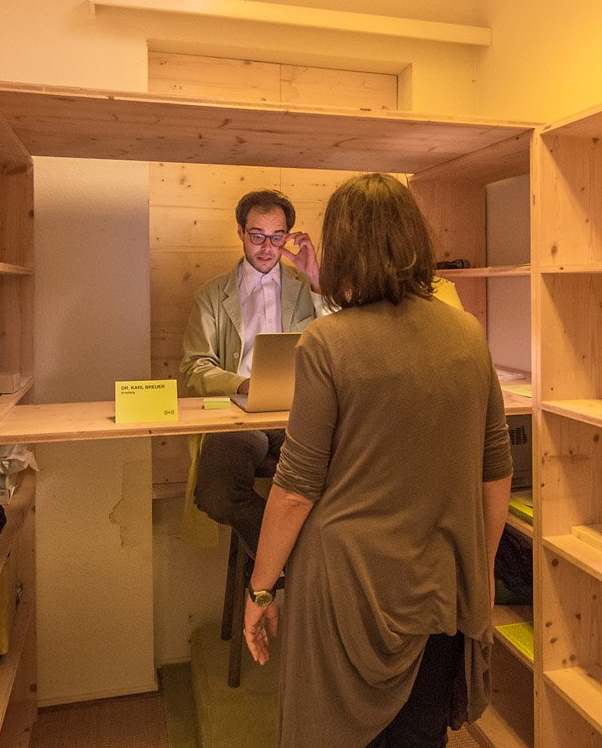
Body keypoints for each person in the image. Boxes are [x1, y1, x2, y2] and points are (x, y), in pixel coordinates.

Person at [243, 173, 512, 748]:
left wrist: (261, 590)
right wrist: (481, 573)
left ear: (341, 249)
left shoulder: (327, 344)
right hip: (442, 583)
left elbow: (294, 490)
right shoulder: (468, 334)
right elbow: (496, 471)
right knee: (421, 736)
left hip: (347, 590)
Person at [180, 189, 325, 553]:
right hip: (237, 417)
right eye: (257, 236)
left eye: (277, 238)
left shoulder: (307, 289)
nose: (267, 248)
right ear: (241, 233)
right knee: (216, 494)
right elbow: (195, 366)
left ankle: (280, 569)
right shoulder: (212, 295)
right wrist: (243, 384)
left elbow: (340, 341)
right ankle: (291, 560)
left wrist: (315, 276)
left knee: (338, 481)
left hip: (297, 414)